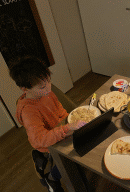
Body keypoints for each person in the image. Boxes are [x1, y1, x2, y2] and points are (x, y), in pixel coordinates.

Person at [9, 56, 87, 192]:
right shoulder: (28, 111)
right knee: (69, 162)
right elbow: (40, 139)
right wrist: (67, 128)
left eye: (49, 81)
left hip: (60, 131)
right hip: (47, 143)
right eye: (42, 86)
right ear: (24, 89)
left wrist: (69, 121)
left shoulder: (47, 94)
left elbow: (60, 110)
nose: (49, 88)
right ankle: (51, 177)